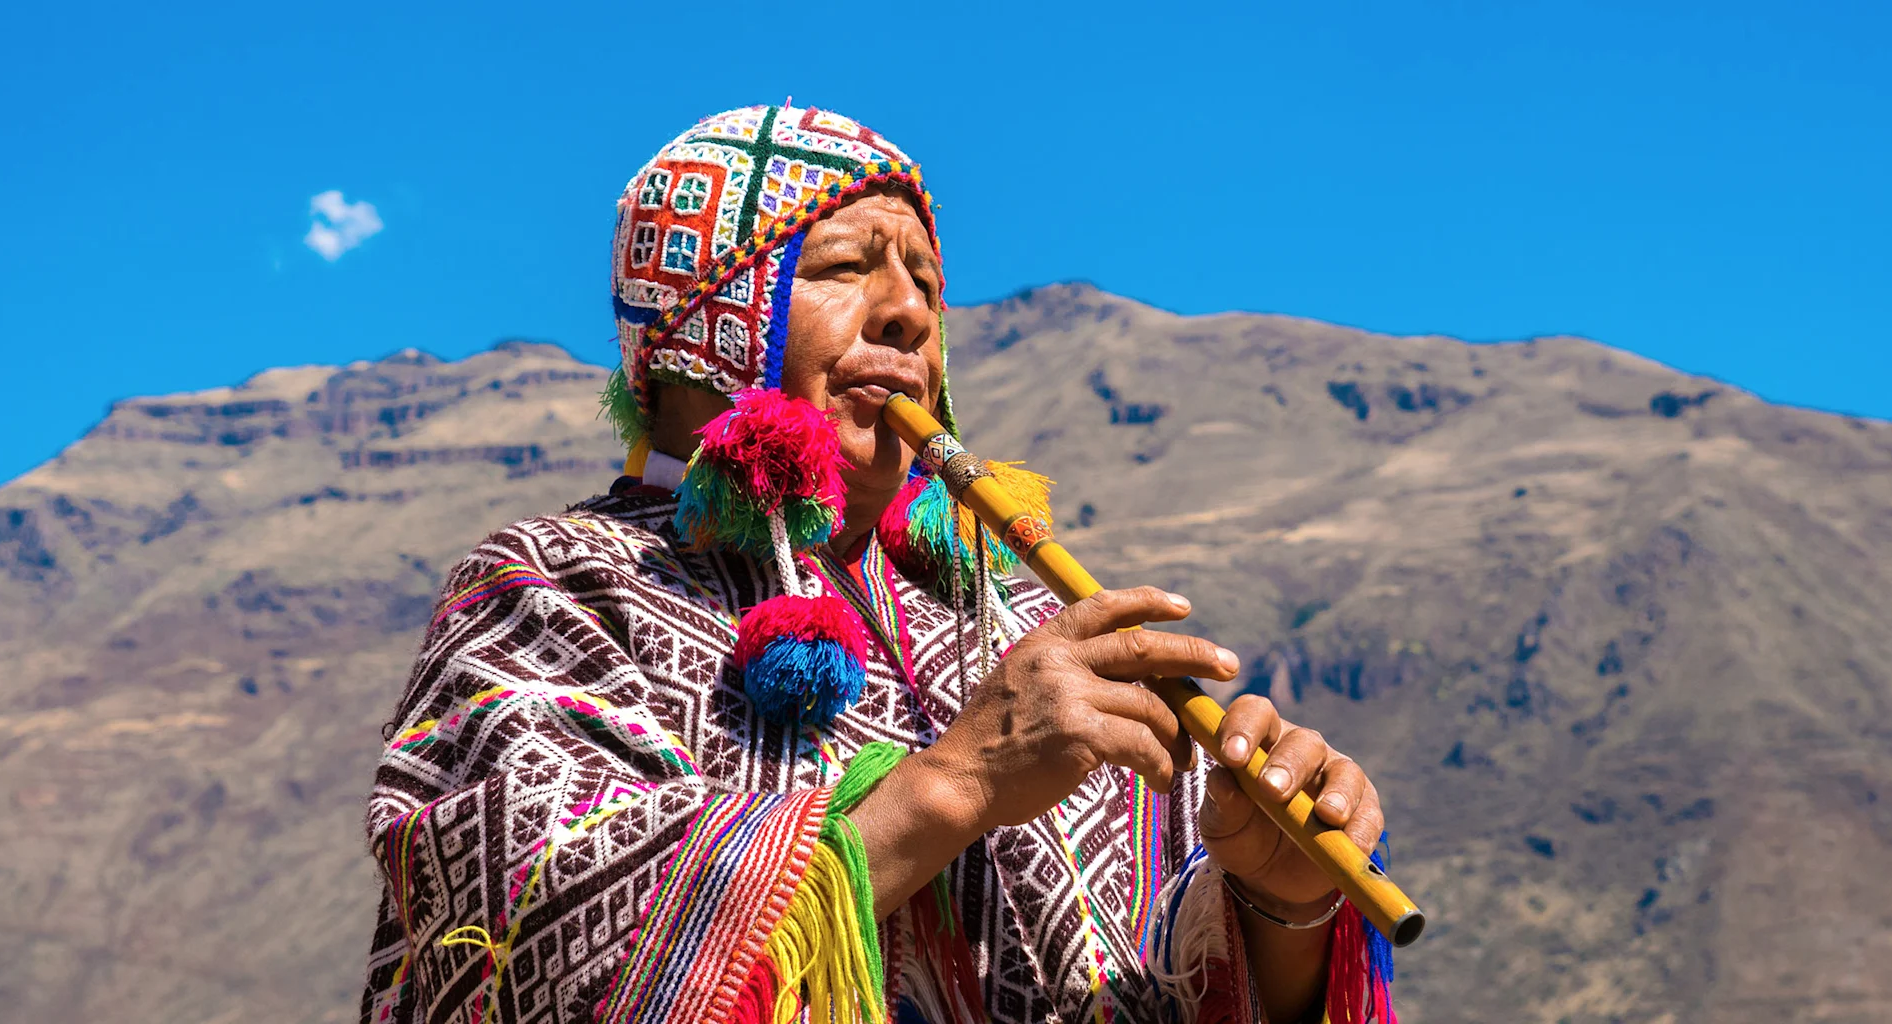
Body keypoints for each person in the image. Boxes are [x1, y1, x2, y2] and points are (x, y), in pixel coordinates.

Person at [359, 105, 1395, 1024]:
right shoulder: (554, 587)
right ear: (704, 324)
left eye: (926, 283)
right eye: (844, 267)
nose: (910, 312)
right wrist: (958, 782)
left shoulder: (1023, 638)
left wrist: (1280, 904)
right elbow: (531, 959)